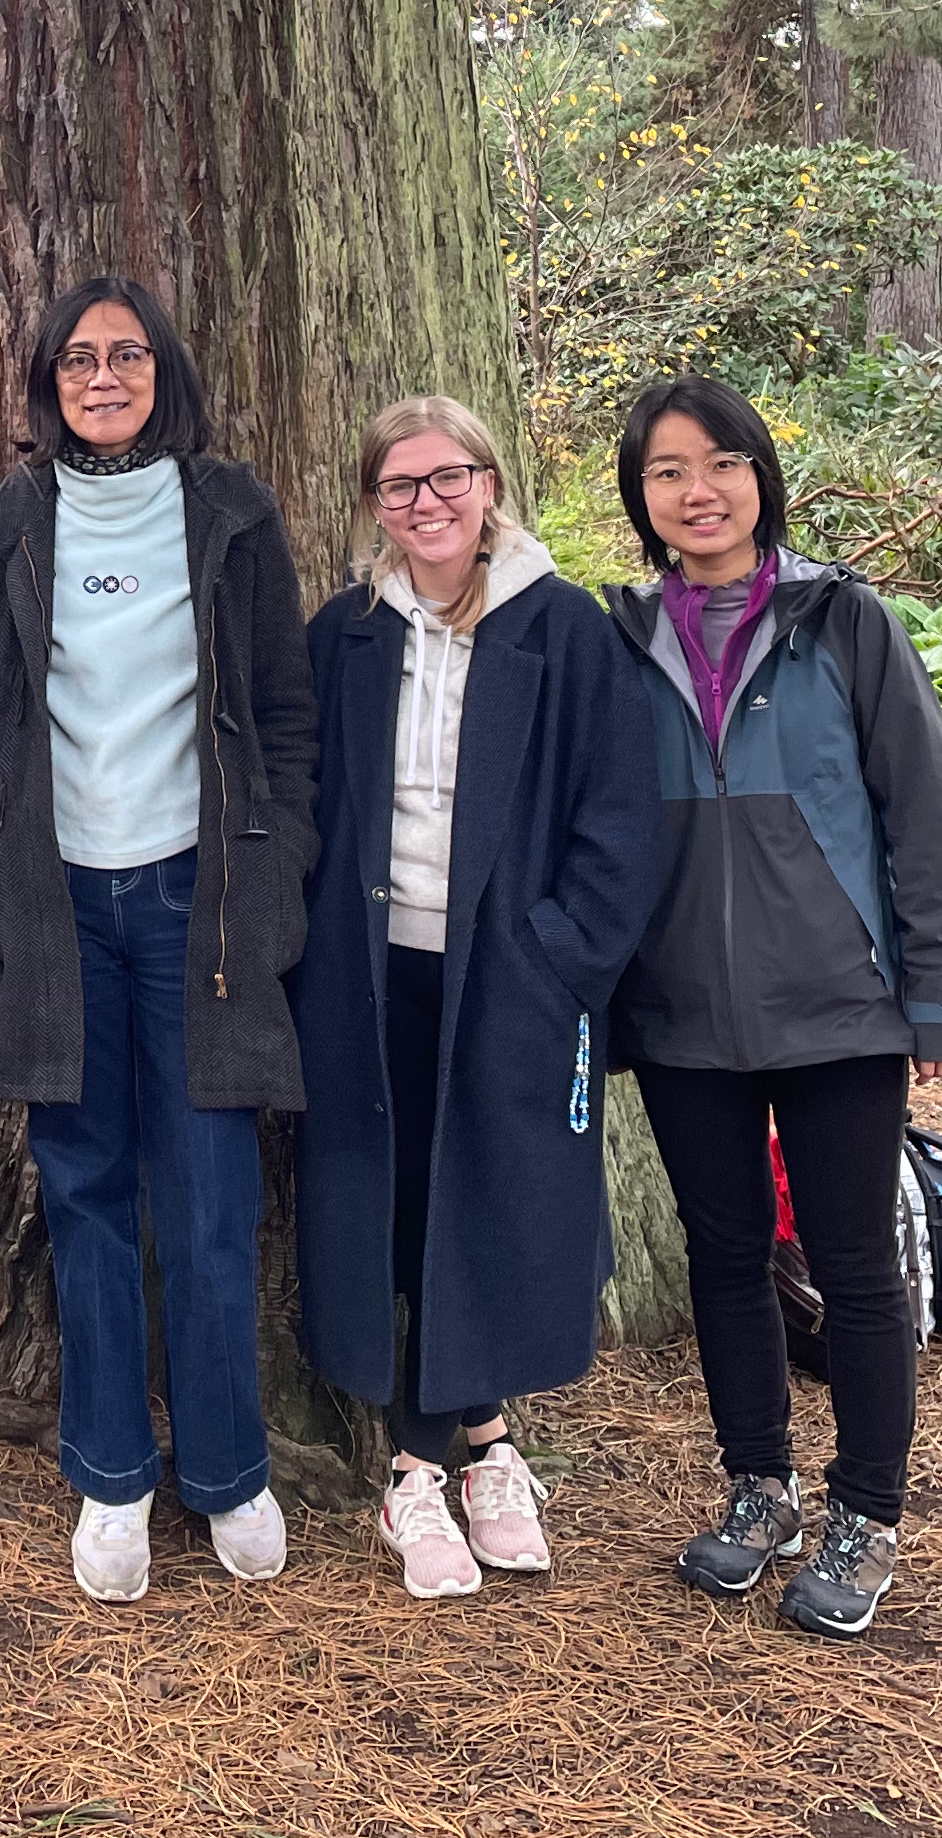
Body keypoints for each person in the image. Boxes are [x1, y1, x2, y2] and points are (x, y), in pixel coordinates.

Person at [0, 275, 318, 1603]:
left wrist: (278, 883)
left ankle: (229, 1468)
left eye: (127, 355)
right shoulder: (5, 523)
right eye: (76, 360)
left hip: (198, 905)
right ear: (48, 383)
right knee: (86, 1191)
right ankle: (110, 1472)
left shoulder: (229, 512)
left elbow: (284, 712)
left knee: (212, 1199)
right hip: (58, 910)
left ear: (164, 369)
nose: (103, 377)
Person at [601, 374, 942, 1640]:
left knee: (854, 1264)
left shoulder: (843, 620)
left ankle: (866, 1512)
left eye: (716, 463)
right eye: (664, 471)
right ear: (639, 497)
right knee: (723, 1258)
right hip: (685, 1012)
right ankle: (757, 1488)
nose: (693, 490)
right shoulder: (621, 636)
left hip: (840, 1003)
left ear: (759, 474)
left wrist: (935, 993)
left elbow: (916, 814)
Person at [290, 395, 662, 1599]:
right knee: (393, 1204)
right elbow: (305, 804)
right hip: (370, 964)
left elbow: (621, 817)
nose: (425, 505)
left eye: (445, 478)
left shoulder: (562, 629)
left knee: (492, 1196)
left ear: (488, 483)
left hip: (508, 970)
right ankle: (482, 1443)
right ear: (374, 507)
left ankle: (417, 1466)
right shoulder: (345, 634)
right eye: (397, 488)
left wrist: (561, 955)